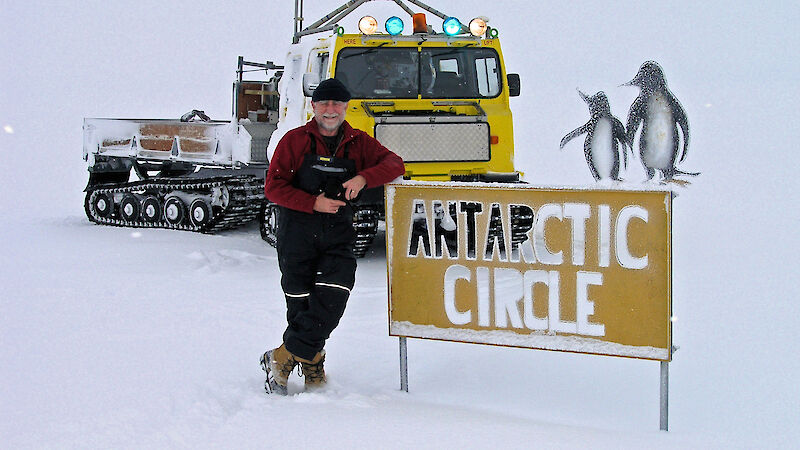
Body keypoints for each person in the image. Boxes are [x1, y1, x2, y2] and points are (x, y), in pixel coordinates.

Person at [260, 78, 405, 395]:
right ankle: (312, 364)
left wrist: (364, 177)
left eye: (337, 103)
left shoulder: (359, 142)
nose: (330, 109)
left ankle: (281, 357)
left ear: (346, 107)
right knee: (300, 304)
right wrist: (312, 202)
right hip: (297, 234)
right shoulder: (294, 141)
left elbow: (395, 163)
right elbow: (274, 187)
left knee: (334, 296)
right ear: (313, 107)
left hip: (338, 234)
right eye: (324, 103)